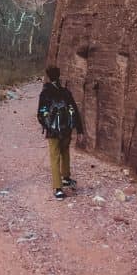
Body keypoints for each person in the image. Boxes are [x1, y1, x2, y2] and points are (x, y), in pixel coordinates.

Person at [37, 65, 84, 199]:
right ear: (59, 76)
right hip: (66, 130)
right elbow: (74, 110)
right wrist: (79, 130)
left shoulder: (45, 93)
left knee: (54, 157)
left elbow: (40, 113)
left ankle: (58, 188)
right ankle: (66, 177)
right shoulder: (65, 92)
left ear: (48, 76)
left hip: (53, 132)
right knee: (65, 152)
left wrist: (46, 127)